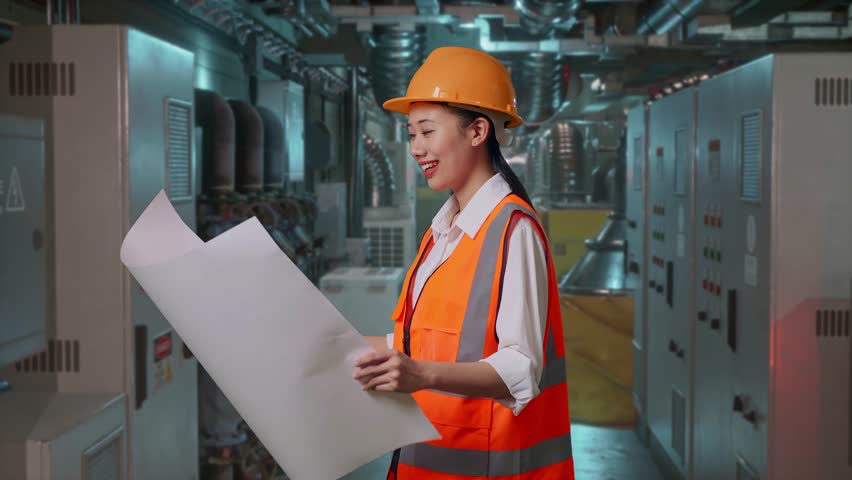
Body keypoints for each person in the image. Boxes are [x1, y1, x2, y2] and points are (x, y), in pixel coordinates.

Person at [353, 46, 575, 480]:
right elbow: (421, 341)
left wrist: (418, 373)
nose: (417, 148)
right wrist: (333, 346)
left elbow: (521, 368)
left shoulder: (514, 231)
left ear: (477, 131)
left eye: (428, 131)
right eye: (411, 133)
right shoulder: (442, 232)